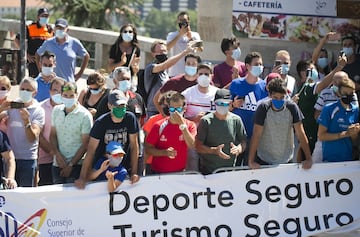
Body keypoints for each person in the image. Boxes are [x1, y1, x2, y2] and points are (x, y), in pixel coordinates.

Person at [75, 90, 140, 189]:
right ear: (110, 106)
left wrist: (134, 172)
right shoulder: (101, 123)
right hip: (101, 165)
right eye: (117, 106)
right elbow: (91, 150)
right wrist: (82, 177)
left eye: (123, 106)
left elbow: (134, 146)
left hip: (122, 165)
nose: (121, 109)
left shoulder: (130, 118)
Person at [248, 78, 313, 169]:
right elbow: (256, 134)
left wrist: (309, 158)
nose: (279, 100)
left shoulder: (292, 107)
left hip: (285, 158)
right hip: (264, 158)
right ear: (270, 95)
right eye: (275, 98)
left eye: (282, 97)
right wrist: (251, 161)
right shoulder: (263, 108)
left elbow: (300, 133)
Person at [2, 77, 45, 187]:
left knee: (25, 195)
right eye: (22, 89)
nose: (24, 92)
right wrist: (2, 108)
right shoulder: (14, 105)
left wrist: (27, 122)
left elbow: (33, 137)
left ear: (34, 93)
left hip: (27, 159)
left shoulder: (38, 110)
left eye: (28, 90)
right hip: (10, 157)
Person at [195, 88, 247, 175]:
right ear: (214, 103)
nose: (222, 106)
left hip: (230, 171)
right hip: (208, 171)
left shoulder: (236, 120)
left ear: (230, 104)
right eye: (219, 103)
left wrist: (238, 149)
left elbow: (243, 141)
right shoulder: (206, 121)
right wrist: (214, 151)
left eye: (225, 103)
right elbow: (198, 146)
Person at [50, 82, 93, 184]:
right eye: (65, 95)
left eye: (71, 95)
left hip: (76, 166)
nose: (68, 98)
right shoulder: (56, 110)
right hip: (58, 164)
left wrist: (71, 165)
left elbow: (85, 144)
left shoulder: (85, 115)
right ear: (61, 95)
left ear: (77, 95)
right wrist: (57, 154)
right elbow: (52, 135)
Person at [145, 92, 196, 174]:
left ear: (184, 109)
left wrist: (182, 125)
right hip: (158, 173)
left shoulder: (190, 125)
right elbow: (148, 149)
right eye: (172, 109)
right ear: (169, 109)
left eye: (178, 109)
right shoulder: (159, 125)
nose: (175, 112)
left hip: (180, 172)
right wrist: (164, 152)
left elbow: (192, 145)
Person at [144, 40, 195, 118]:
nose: (163, 54)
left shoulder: (165, 73)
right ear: (153, 54)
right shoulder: (150, 68)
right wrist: (185, 52)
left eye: (164, 51)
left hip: (166, 110)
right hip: (154, 111)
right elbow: (165, 65)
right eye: (160, 52)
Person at [317, 77, 360, 162]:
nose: (348, 96)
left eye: (351, 93)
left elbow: (355, 141)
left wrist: (354, 134)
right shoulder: (329, 109)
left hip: (348, 160)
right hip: (330, 159)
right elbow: (321, 135)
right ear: (339, 93)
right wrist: (344, 134)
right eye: (345, 93)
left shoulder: (356, 111)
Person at [230, 52, 268, 139]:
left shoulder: (265, 86)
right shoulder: (236, 83)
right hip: (237, 134)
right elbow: (226, 108)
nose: (259, 67)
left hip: (256, 136)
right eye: (256, 64)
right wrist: (233, 104)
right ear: (247, 66)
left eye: (260, 64)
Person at [38, 78, 65, 185]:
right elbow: (38, 136)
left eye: (61, 91)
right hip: (45, 160)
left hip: (65, 161)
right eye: (55, 90)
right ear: (49, 91)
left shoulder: (69, 109)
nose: (58, 93)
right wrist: (54, 154)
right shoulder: (40, 108)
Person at [166, 11, 201, 77]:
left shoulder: (195, 35)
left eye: (184, 20)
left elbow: (200, 49)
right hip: (175, 72)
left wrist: (190, 38)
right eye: (180, 20)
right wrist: (180, 35)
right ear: (177, 22)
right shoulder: (172, 35)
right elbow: (167, 47)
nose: (182, 22)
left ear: (188, 21)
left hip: (191, 72)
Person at [26, 7, 53, 77]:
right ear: (38, 17)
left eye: (46, 16)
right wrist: (26, 54)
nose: (45, 18)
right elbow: (17, 40)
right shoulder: (30, 27)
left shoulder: (50, 29)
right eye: (43, 16)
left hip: (47, 63)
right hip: (34, 61)